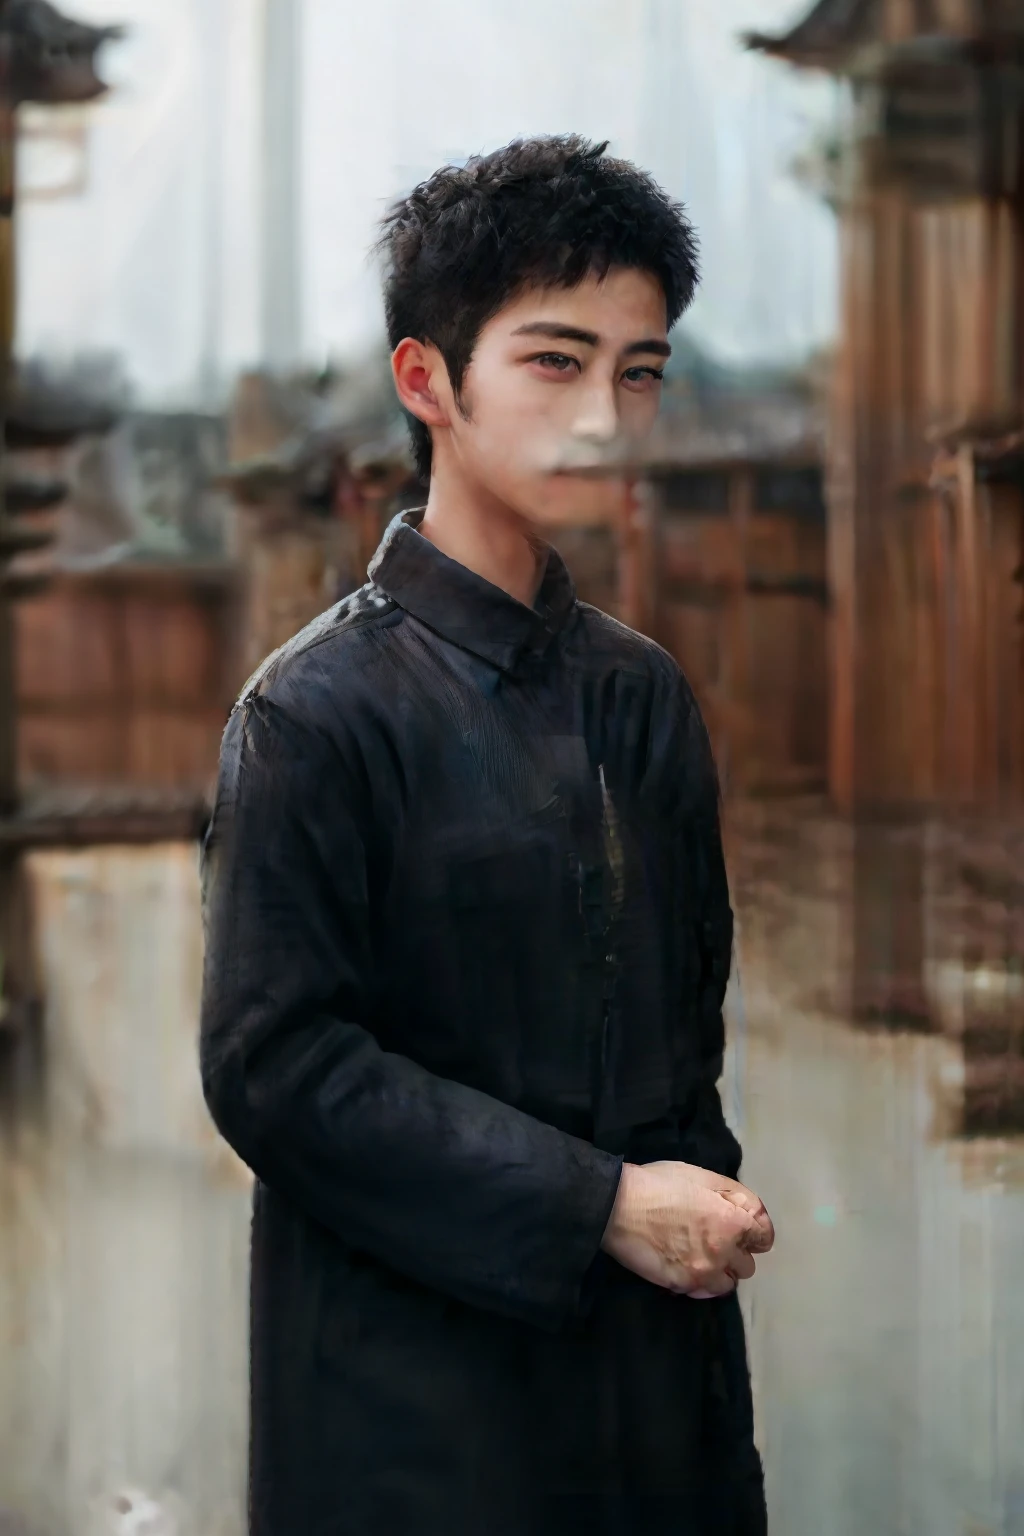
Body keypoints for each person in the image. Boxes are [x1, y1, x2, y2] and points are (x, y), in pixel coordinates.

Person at [200, 134, 775, 1536]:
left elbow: (685, 1039)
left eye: (641, 372)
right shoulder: (315, 712)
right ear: (428, 380)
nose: (605, 416)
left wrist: (694, 1211)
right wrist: (593, 1206)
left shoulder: (639, 694)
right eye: (555, 361)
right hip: (413, 1407)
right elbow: (279, 1070)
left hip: (654, 1387)